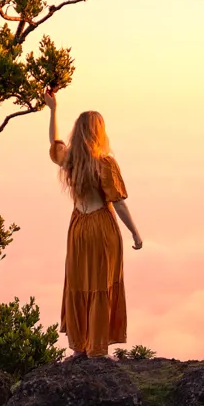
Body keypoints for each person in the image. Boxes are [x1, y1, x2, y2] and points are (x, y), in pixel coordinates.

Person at [45, 88, 143, 360]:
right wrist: (135, 233)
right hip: (101, 229)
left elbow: (54, 144)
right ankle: (97, 349)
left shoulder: (70, 160)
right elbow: (119, 203)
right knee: (101, 284)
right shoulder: (105, 164)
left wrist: (52, 110)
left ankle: (79, 347)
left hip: (78, 227)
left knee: (78, 283)